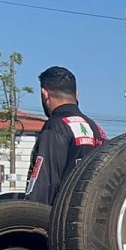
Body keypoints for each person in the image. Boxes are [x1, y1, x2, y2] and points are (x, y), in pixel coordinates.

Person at [25, 66, 106, 205]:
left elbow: (44, 184)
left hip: (63, 219)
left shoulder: (56, 126)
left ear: (44, 94)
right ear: (77, 95)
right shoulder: (96, 128)